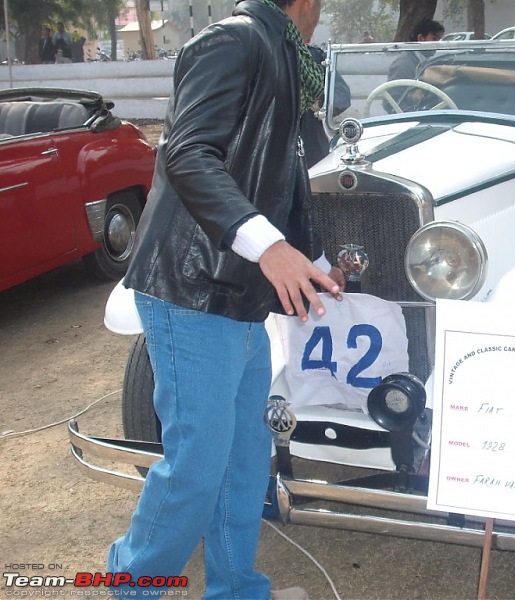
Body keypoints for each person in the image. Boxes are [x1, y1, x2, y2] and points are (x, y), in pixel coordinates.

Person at [107, 0, 344, 598]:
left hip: (236, 292)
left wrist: (311, 261)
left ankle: (236, 589)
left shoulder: (284, 53)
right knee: (196, 467)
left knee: (244, 459)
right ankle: (130, 586)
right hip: (190, 287)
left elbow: (282, 172)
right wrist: (269, 247)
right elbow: (186, 152)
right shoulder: (234, 41)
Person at [385, 18, 445, 111]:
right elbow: (391, 102)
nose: (437, 44)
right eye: (434, 39)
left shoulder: (429, 61)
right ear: (421, 38)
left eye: (438, 40)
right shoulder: (402, 64)